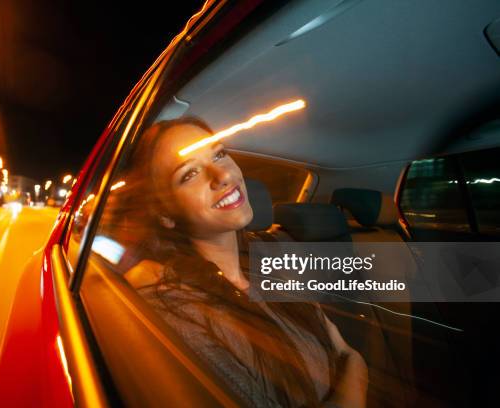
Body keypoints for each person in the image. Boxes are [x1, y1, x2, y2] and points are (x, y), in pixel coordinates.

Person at [121, 117, 368, 407]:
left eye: (219, 154)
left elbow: (349, 353)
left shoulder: (270, 260)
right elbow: (350, 360)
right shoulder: (179, 306)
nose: (222, 175)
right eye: (189, 174)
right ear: (166, 214)